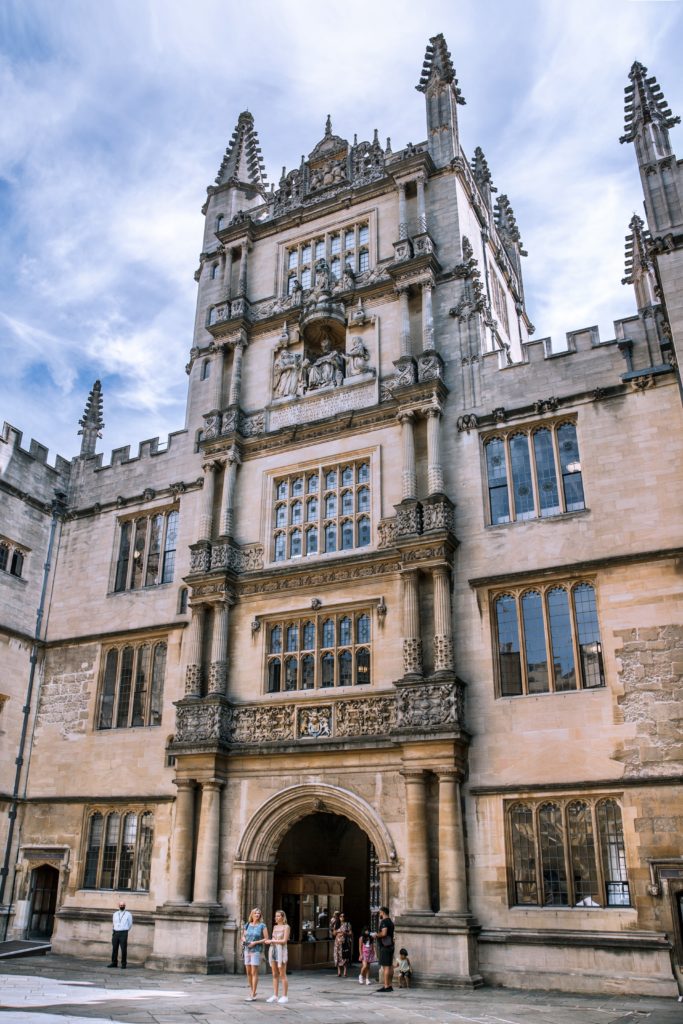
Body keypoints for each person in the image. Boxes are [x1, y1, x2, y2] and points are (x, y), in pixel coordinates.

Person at [242, 907, 269, 1001]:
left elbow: (266, 938)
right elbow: (243, 936)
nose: (257, 915)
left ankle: (253, 994)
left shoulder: (262, 925)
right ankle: (252, 990)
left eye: (259, 913)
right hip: (247, 950)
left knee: (254, 972)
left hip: (256, 950)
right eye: (255, 913)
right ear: (252, 914)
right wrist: (245, 941)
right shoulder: (247, 925)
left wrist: (255, 943)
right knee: (248, 972)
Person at [265, 909, 290, 1004]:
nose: (276, 917)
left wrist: (272, 941)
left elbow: (284, 941)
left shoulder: (286, 927)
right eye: (276, 916)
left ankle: (285, 996)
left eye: (279, 916)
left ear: (283, 917)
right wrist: (270, 941)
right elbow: (274, 939)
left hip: (281, 952)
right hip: (273, 951)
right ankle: (275, 995)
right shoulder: (275, 927)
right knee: (274, 974)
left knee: (282, 974)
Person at [375, 906, 395, 992]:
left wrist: (376, 935)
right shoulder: (390, 921)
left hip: (385, 946)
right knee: (390, 966)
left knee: (386, 967)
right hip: (390, 946)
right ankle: (390, 985)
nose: (379, 914)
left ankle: (386, 986)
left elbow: (384, 933)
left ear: (383, 912)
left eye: (380, 913)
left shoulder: (384, 922)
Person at [108, 900, 133, 969]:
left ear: (125, 906)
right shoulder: (115, 914)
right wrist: (114, 930)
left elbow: (130, 924)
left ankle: (123, 964)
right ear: (118, 906)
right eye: (120, 905)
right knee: (114, 948)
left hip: (123, 932)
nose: (122, 906)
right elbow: (113, 923)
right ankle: (114, 963)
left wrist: (125, 929)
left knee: (123, 949)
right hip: (115, 932)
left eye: (123, 905)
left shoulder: (128, 914)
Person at [333, 912, 353, 977]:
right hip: (337, 943)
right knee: (337, 955)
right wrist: (336, 932)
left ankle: (345, 971)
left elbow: (350, 933)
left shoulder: (347, 924)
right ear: (339, 917)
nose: (342, 917)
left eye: (343, 916)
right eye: (341, 916)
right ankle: (339, 971)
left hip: (344, 942)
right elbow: (333, 933)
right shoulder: (336, 924)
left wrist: (345, 933)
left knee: (344, 956)